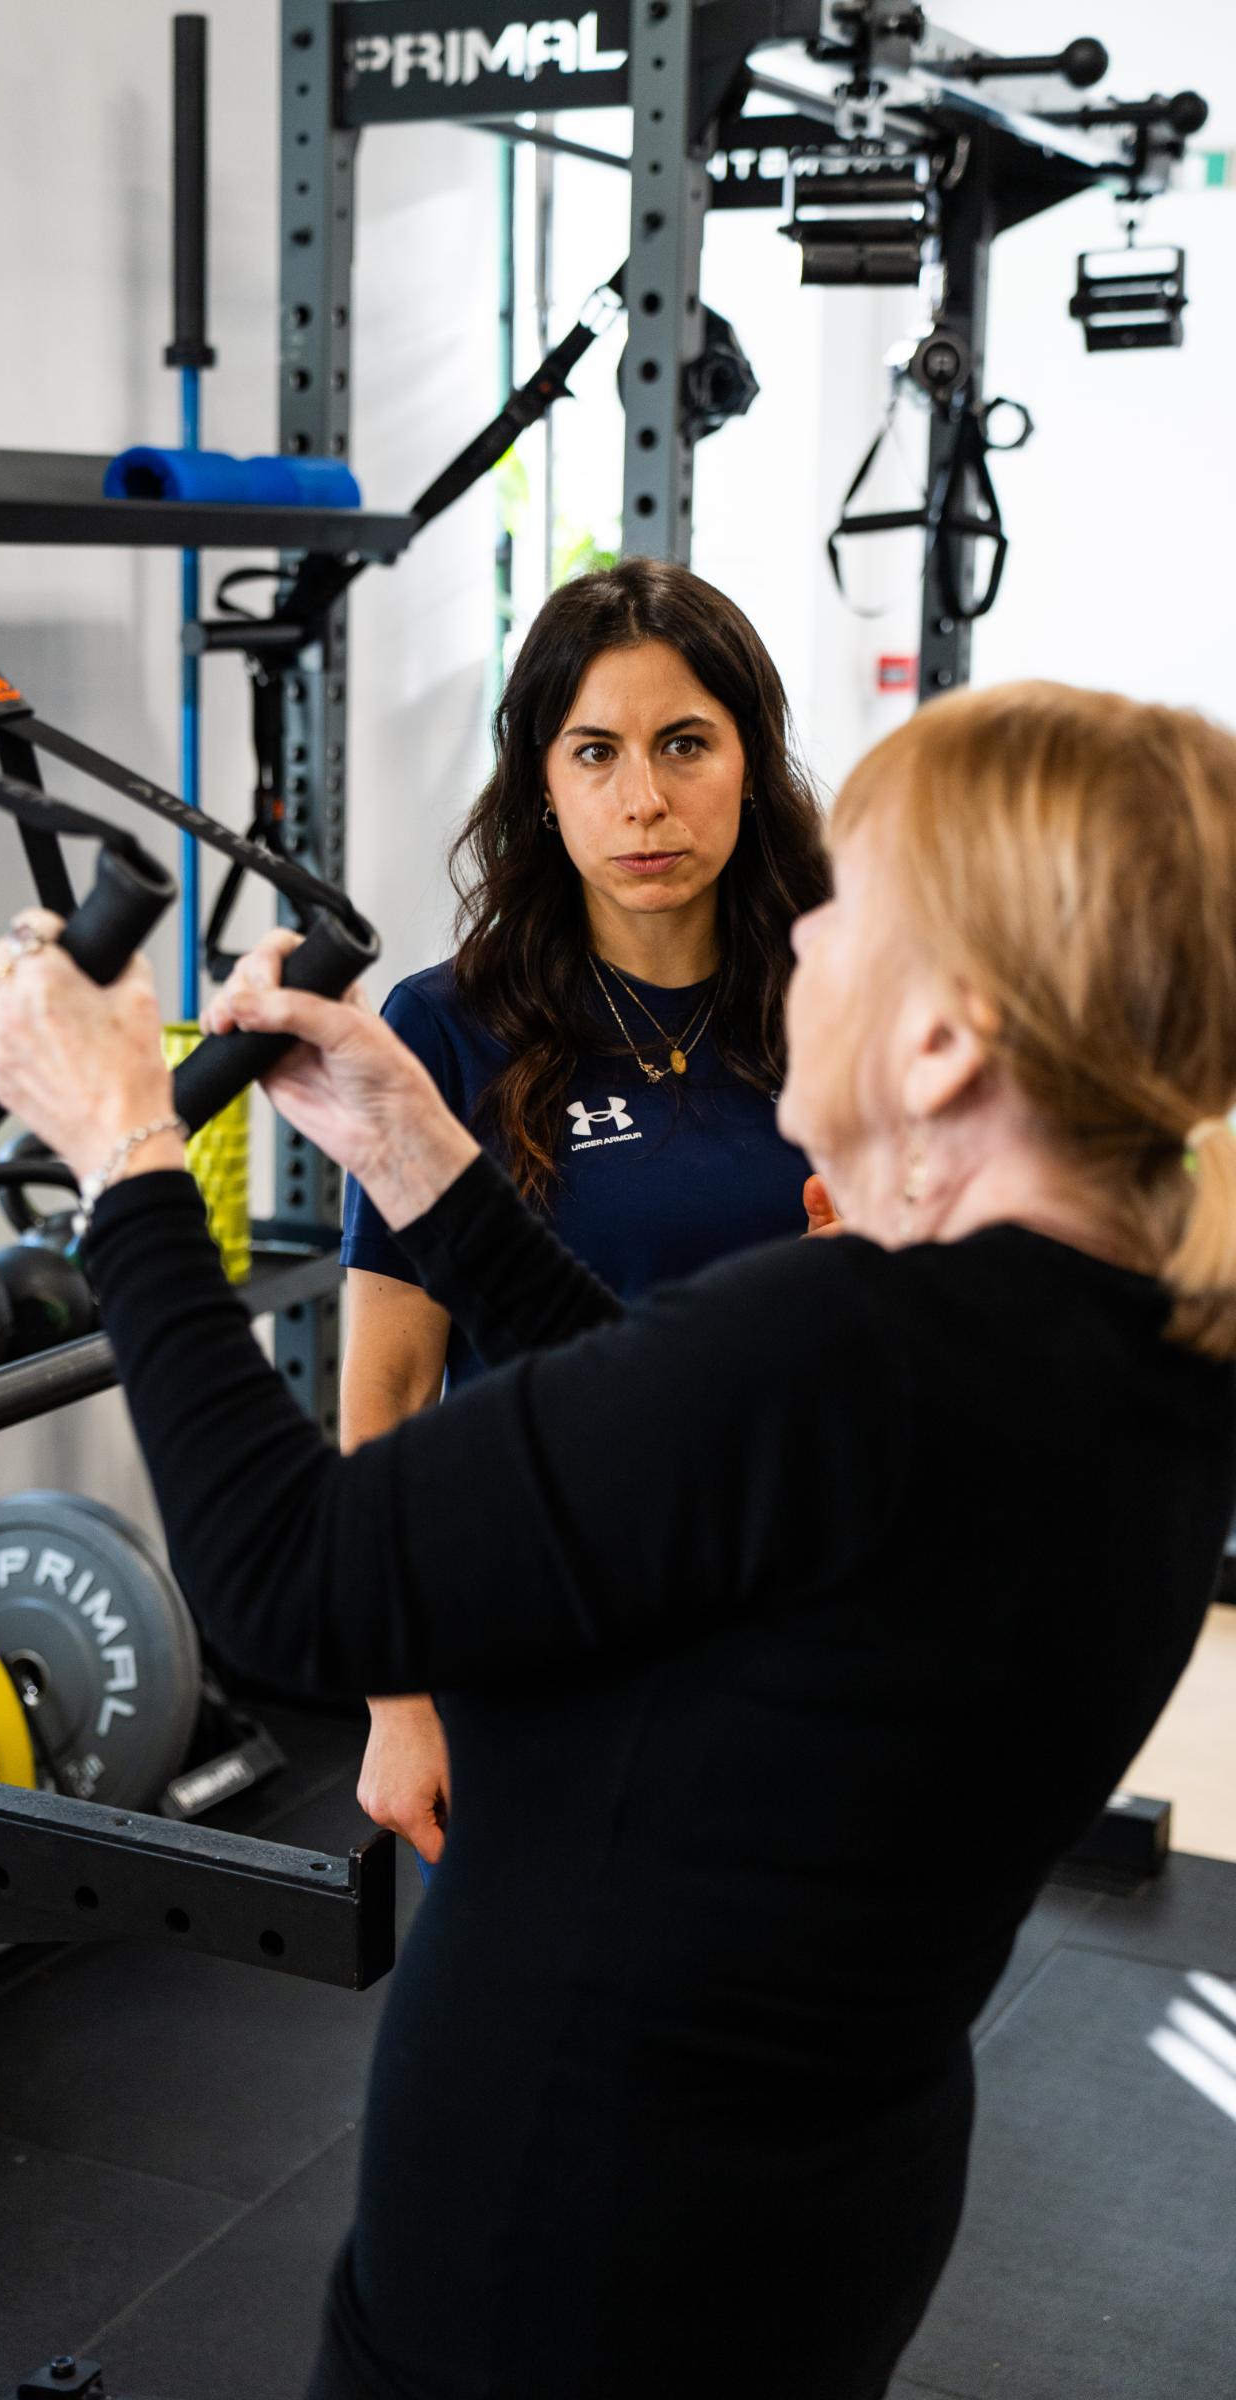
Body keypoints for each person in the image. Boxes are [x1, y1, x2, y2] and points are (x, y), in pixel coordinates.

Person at [0, 679, 1236, 2400]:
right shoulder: (1129, 1345)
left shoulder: (853, 1344)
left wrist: (123, 1155)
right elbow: (685, 1460)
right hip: (808, 2222)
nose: (801, 951)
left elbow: (287, 1585)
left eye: (847, 910)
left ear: (948, 1041)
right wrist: (421, 1152)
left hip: (565, 2260)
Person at [341, 559, 830, 1865]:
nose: (645, 799)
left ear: (751, 762)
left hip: (798, 1626)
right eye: (596, 752)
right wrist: (397, 1700)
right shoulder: (444, 1030)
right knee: (530, 2051)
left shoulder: (843, 1003)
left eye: (686, 744)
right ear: (543, 789)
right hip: (538, 1631)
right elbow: (386, 1394)